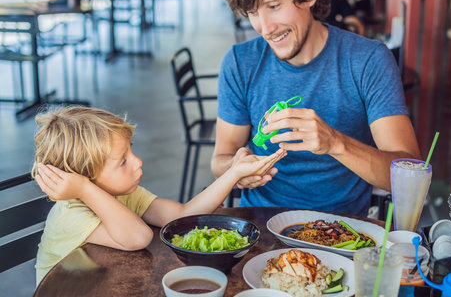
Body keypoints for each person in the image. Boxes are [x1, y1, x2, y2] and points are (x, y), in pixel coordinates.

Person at [212, 0, 420, 216]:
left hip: (341, 228)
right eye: (253, 12)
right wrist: (236, 169)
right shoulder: (240, 62)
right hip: (259, 225)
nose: (265, 27)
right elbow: (220, 160)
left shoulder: (367, 60)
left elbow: (410, 175)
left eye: (273, 6)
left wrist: (336, 143)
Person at [32, 106, 286, 285]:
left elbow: (183, 215)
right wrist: (85, 189)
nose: (138, 162)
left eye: (132, 151)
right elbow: (138, 237)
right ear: (85, 178)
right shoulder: (70, 214)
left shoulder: (123, 194)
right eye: (122, 162)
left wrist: (233, 173)